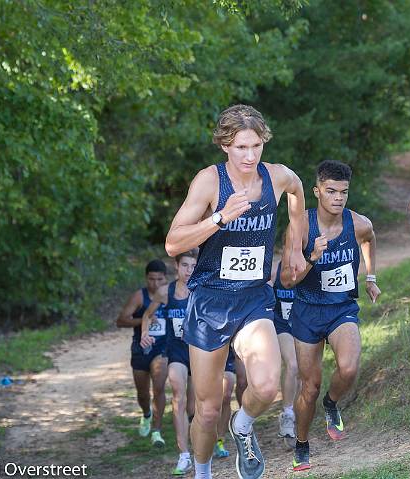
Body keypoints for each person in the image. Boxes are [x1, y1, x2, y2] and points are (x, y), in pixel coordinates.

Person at [164, 104, 307, 479]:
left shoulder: (277, 177)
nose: (250, 155)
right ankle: (203, 470)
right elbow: (173, 243)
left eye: (256, 146)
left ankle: (242, 425)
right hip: (210, 300)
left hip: (254, 297)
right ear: (225, 145)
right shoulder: (209, 182)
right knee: (209, 409)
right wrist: (219, 217)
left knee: (265, 384)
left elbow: (297, 192)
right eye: (241, 147)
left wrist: (294, 245)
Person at [281, 159, 381, 472]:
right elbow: (286, 280)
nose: (338, 198)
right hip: (307, 310)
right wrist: (311, 258)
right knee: (308, 387)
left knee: (349, 368)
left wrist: (371, 277)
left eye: (343, 192)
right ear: (317, 192)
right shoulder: (301, 227)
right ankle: (301, 443)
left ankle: (332, 403)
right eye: (331, 191)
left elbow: (369, 239)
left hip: (341, 307)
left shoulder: (358, 223)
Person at [140, 250, 238, 474]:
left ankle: (203, 448)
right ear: (176, 266)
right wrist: (146, 331)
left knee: (197, 407)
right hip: (177, 353)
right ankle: (183, 454)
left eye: (193, 266)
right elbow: (147, 314)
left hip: (199, 353)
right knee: (178, 394)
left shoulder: (203, 290)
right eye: (185, 266)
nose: (189, 271)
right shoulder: (166, 292)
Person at [115, 259, 170, 448]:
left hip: (162, 347)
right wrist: (144, 321)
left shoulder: (170, 294)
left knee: (159, 387)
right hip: (140, 348)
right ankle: (146, 414)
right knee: (142, 393)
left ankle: (157, 431)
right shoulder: (139, 296)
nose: (155, 284)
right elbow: (121, 321)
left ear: (165, 278)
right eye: (151, 279)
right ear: (146, 278)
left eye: (159, 279)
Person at [272, 261, 299, 448]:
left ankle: (297, 415)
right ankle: (288, 413)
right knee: (293, 365)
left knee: (306, 375)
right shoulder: (275, 270)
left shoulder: (308, 265)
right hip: (281, 326)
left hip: (304, 325)